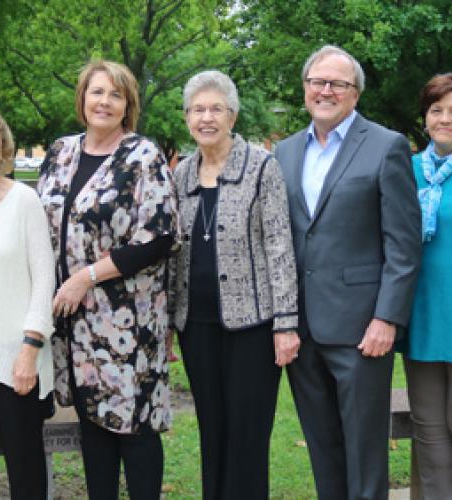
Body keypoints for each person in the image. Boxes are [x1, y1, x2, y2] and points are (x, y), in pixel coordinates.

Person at [275, 45, 422, 500]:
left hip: (363, 331)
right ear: (305, 90)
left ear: (355, 93)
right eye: (318, 81)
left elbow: (403, 244)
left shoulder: (386, 146)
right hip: (302, 330)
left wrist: (387, 319)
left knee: (364, 453)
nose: (326, 90)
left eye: (338, 83)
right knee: (323, 451)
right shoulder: (283, 152)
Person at [37, 60, 178, 500]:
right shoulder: (60, 152)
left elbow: (159, 237)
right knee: (92, 425)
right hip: (73, 324)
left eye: (115, 95)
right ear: (82, 99)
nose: (105, 101)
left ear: (127, 105)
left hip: (127, 323)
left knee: (133, 429)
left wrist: (86, 276)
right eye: (97, 92)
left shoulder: (143, 156)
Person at [168, 70, 300, 499]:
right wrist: (170, 320)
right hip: (196, 324)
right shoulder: (181, 175)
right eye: (198, 110)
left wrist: (286, 323)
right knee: (212, 429)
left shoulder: (262, 167)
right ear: (188, 117)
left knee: (247, 433)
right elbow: (173, 253)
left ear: (233, 115)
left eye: (216, 109)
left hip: (253, 326)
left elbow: (280, 245)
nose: (207, 118)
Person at [0, 101, 55, 499]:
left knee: (26, 471)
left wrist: (30, 348)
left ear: (3, 148)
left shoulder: (24, 201)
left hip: (15, 358)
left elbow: (44, 279)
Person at [399, 73, 452, 500]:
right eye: (436, 110)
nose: (445, 119)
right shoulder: (407, 171)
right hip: (422, 323)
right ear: (425, 117)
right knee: (431, 441)